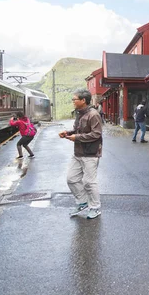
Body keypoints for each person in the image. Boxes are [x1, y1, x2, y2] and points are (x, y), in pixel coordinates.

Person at [59, 89, 104, 219]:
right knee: (71, 179)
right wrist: (68, 133)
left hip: (90, 153)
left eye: (75, 99)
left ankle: (95, 208)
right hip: (78, 153)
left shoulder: (93, 114)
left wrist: (77, 137)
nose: (73, 101)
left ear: (83, 100)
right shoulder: (79, 114)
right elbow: (77, 129)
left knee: (89, 182)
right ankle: (83, 201)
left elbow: (96, 134)